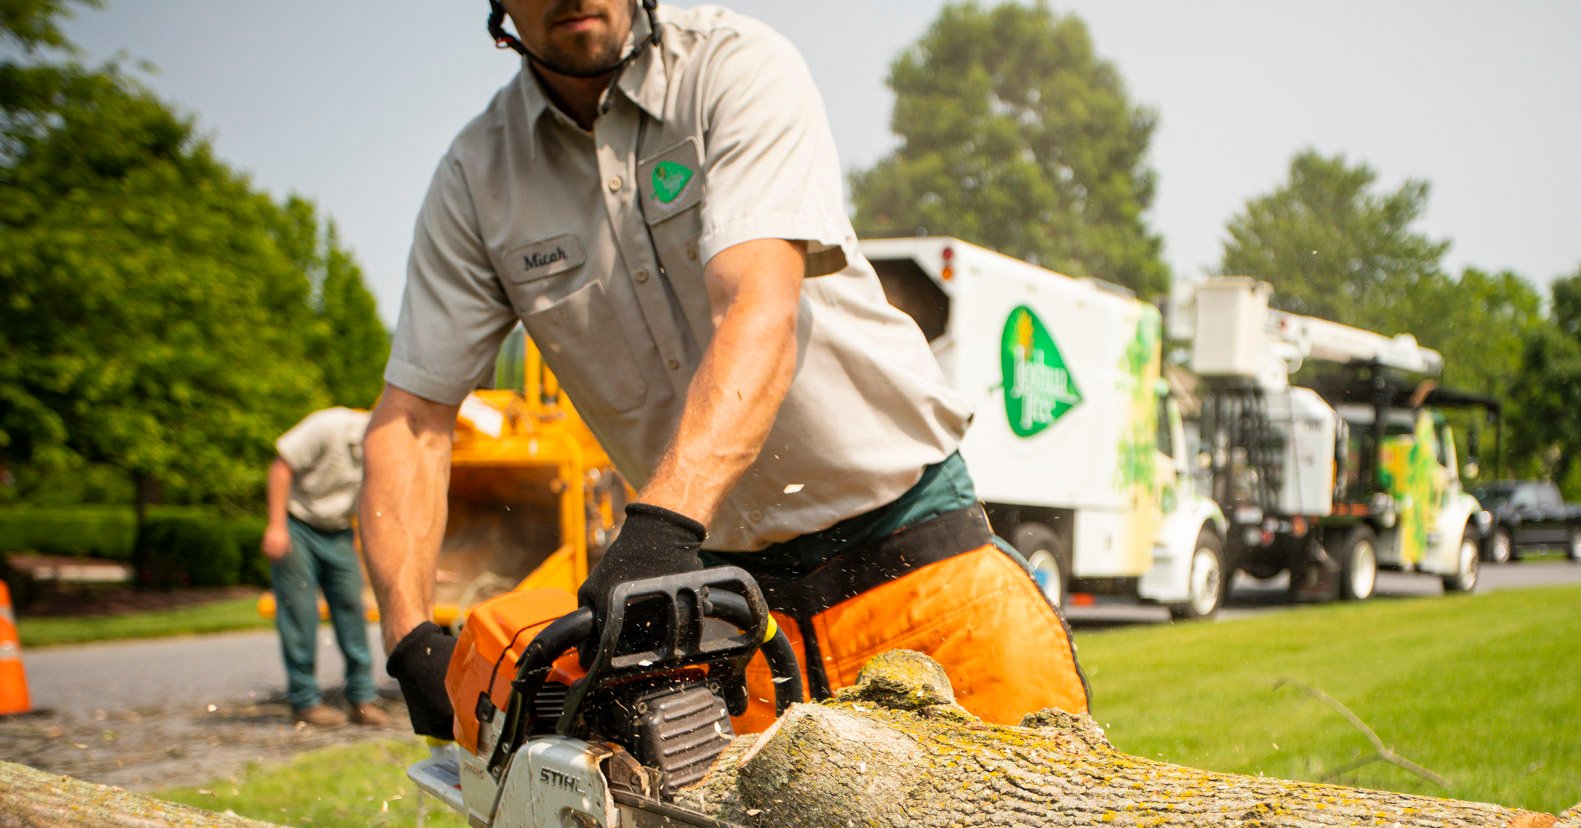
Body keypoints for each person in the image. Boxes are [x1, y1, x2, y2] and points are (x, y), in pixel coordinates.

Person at [363, 0, 1088, 744]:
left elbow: (754, 307)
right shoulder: (479, 176)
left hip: (918, 565)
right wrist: (408, 634)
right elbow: (412, 421)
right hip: (733, 621)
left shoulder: (734, 67)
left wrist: (659, 525)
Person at [262, 407, 388, 728]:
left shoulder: (385, 451)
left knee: (352, 609)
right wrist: (276, 526)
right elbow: (281, 467)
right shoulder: (329, 426)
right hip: (298, 526)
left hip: (339, 533)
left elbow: (379, 510)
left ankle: (362, 699)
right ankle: (305, 702)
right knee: (300, 611)